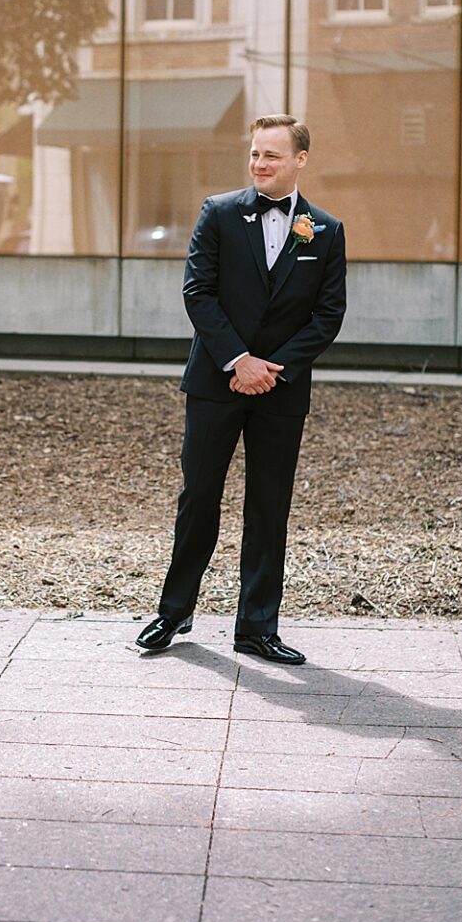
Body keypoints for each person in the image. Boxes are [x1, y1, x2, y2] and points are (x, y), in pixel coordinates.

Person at [136, 114, 346, 664]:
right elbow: (197, 292)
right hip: (216, 381)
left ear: (300, 159)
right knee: (199, 497)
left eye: (272, 156)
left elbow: (328, 316)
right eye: (255, 154)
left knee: (269, 506)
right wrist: (239, 360)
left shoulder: (326, 230)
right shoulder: (219, 213)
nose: (260, 164)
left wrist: (273, 367)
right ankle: (174, 611)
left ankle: (256, 628)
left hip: (281, 389)